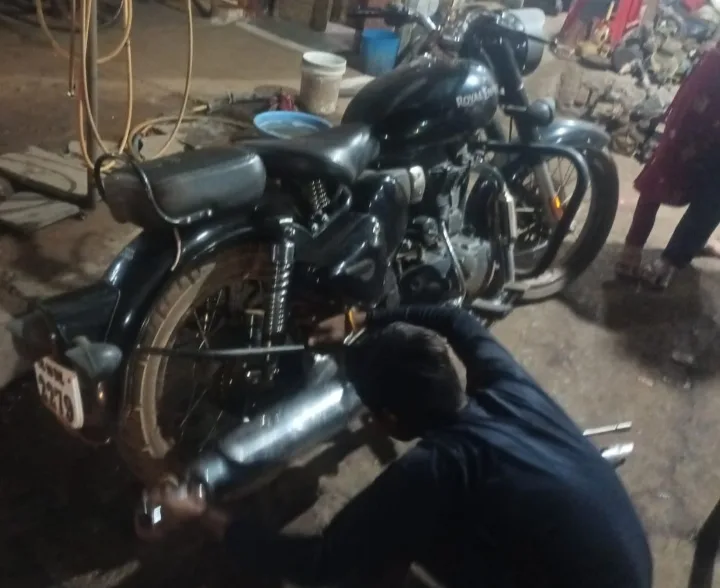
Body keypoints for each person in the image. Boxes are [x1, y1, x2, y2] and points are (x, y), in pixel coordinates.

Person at [143, 306, 652, 588]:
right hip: (629, 564)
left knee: (382, 539)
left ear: (388, 420)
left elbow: (317, 563)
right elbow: (455, 319)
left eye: (371, 411)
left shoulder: (435, 469)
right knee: (413, 530)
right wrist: (361, 317)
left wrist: (205, 514)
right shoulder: (507, 387)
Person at [615, 42, 720, 290]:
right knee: (665, 170)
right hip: (707, 94)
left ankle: (676, 254)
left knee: (711, 193)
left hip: (707, 90)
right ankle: (638, 253)